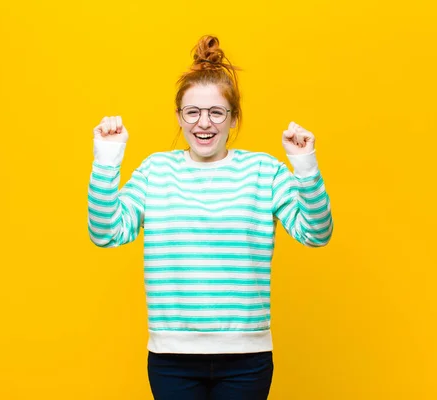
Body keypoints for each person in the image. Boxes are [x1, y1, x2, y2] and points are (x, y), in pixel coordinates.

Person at [87, 35, 333, 400]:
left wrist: (305, 166)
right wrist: (107, 159)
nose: (205, 123)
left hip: (247, 358)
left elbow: (316, 233)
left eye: (216, 112)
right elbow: (106, 232)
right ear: (179, 117)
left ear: (233, 118)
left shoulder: (263, 171)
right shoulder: (156, 171)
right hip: (172, 358)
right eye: (193, 112)